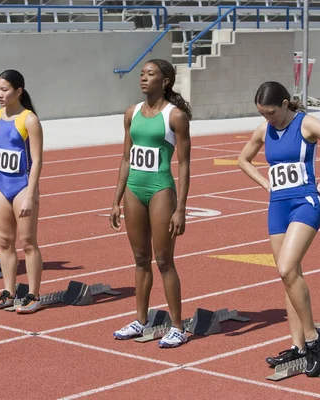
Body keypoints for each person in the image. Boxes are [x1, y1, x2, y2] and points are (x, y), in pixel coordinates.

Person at [238, 81, 320, 376]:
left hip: (305, 203)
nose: (268, 119)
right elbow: (243, 159)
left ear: (284, 103)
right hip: (277, 207)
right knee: (289, 276)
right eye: (262, 114)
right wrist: (265, 183)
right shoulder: (263, 130)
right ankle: (298, 346)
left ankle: (313, 339)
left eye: (271, 113)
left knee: (286, 268)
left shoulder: (306, 125)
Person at [110, 59, 192, 348]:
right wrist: (116, 199)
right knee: (140, 259)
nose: (143, 79)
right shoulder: (131, 113)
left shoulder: (175, 116)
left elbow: (183, 164)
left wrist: (181, 208)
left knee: (164, 261)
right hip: (134, 188)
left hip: (160, 190)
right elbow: (125, 157)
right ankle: (141, 319)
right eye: (142, 74)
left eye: (150, 74)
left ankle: (178, 326)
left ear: (165, 80)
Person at [0, 70, 44, 314]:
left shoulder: (29, 120)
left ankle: (33, 294)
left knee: (27, 242)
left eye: (5, 89)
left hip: (22, 186)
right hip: (1, 186)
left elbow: (37, 160)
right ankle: (9, 291)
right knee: (4, 241)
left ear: (18, 91)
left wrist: (30, 193)